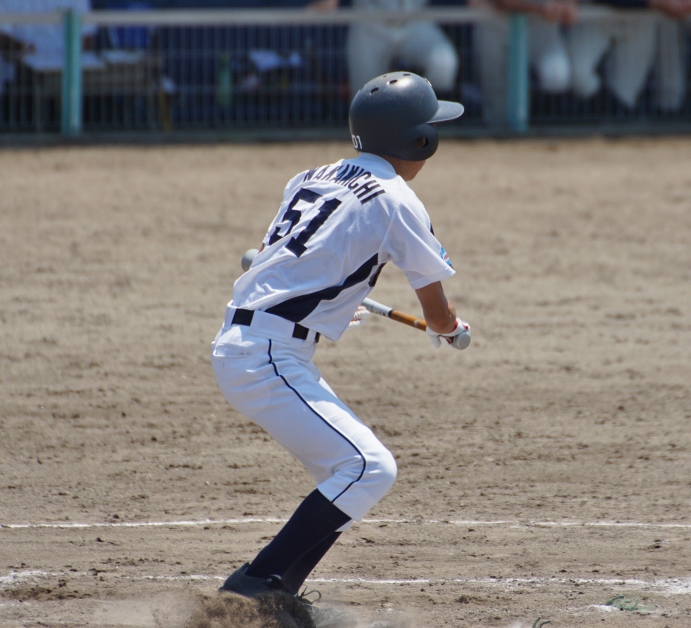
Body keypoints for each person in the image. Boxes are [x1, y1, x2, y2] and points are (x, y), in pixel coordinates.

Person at [210, 71, 471, 619]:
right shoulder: (398, 199)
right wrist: (448, 328)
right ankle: (253, 586)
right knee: (370, 468)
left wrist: (332, 303)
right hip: (265, 357)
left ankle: (278, 598)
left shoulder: (311, 176)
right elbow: (436, 310)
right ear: (419, 140)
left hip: (253, 342)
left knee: (347, 472)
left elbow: (294, 260)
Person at [567, 0, 691, 114]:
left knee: (626, 94)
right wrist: (653, 2)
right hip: (596, 14)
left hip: (639, 19)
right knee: (578, 74)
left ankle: (616, 122)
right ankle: (609, 115)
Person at [469, 0, 578, 128]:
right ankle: (497, 132)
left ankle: (546, 130)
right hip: (496, 21)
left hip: (541, 25)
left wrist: (567, 4)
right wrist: (540, 7)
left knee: (557, 74)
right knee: (496, 98)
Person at [334, 0, 461, 96]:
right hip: (369, 21)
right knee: (364, 91)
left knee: (444, 62)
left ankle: (429, 111)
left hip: (415, 19)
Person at [0, 0, 101, 95]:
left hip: (70, 85)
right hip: (17, 88)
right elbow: (1, 38)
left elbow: (87, 39)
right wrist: (26, 55)